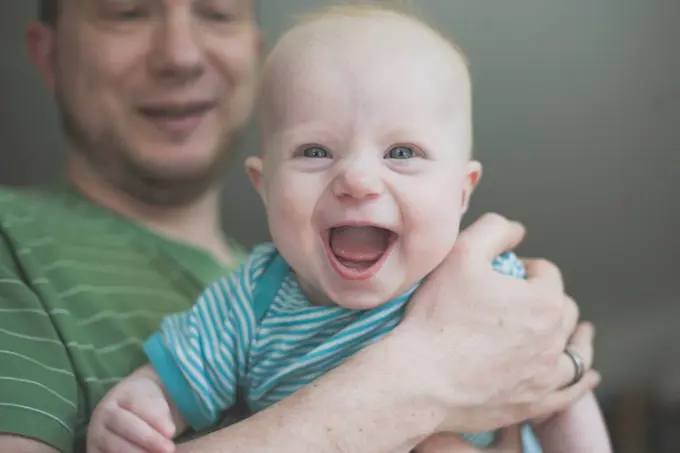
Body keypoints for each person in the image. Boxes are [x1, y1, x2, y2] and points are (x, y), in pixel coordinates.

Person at [0, 0, 601, 452]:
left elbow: (558, 394)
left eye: (402, 153)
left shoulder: (484, 280)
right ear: (264, 184)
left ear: (462, 191)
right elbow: (179, 373)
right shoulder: (250, 298)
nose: (358, 180)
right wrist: (141, 400)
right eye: (315, 151)